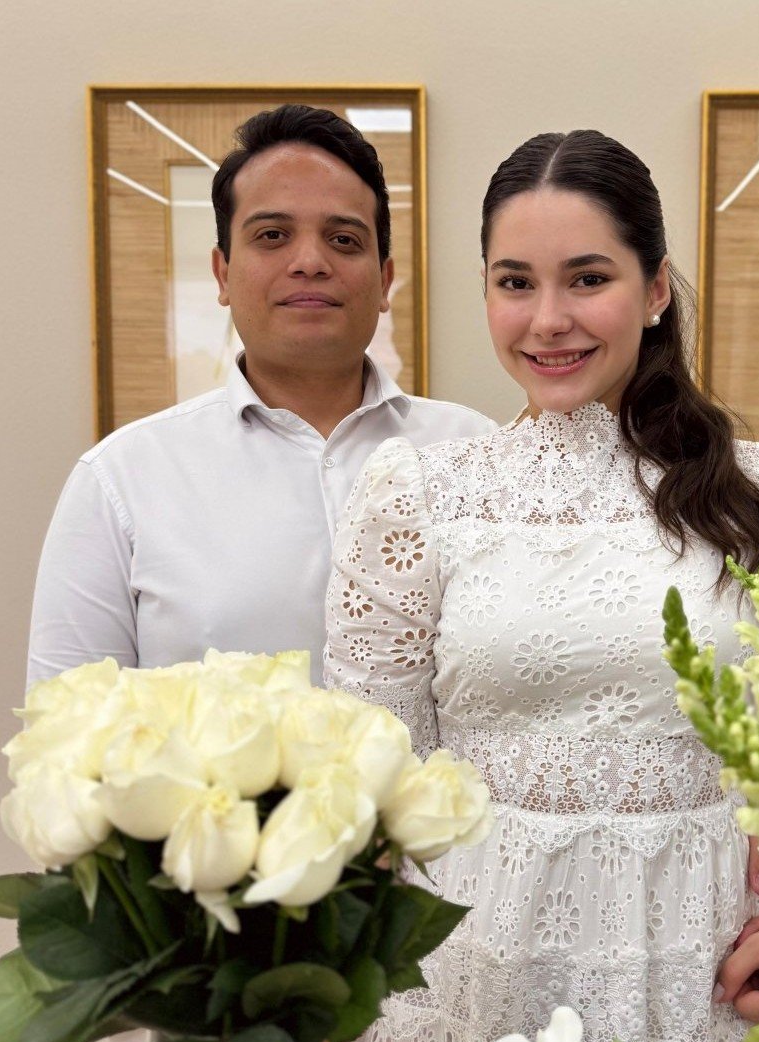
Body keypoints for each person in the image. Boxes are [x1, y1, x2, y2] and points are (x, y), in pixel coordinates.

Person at [323, 130, 759, 1042]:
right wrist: (317, 1020)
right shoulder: (418, 494)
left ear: (655, 289)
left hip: (706, 968)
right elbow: (364, 781)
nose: (547, 319)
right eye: (515, 282)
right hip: (473, 968)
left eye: (588, 278)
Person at [26, 104, 494, 687]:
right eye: (272, 236)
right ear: (222, 273)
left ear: (384, 280)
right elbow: (66, 726)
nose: (310, 262)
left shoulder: (477, 452)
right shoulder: (121, 480)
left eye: (343, 239)